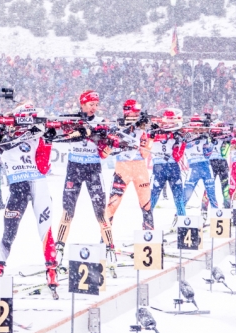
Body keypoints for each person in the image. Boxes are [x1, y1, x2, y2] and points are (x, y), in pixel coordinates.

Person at [0, 102, 59, 296]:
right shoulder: (4, 135)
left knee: (45, 230)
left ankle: (51, 270)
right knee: (9, 232)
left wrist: (47, 141)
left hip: (39, 184)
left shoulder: (36, 134)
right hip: (17, 187)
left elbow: (44, 167)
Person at [55, 90, 118, 267]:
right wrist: (78, 131)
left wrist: (106, 142)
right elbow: (59, 133)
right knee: (68, 211)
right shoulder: (71, 120)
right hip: (74, 168)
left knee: (100, 213)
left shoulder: (101, 123)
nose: (94, 108)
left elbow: (106, 153)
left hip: (93, 169)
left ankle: (110, 249)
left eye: (96, 105)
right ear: (82, 104)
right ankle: (58, 249)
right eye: (91, 104)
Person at [105, 99, 154, 235]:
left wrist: (150, 138)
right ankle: (105, 239)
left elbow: (144, 154)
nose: (136, 115)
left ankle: (149, 236)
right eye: (134, 112)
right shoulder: (118, 126)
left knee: (146, 204)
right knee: (113, 204)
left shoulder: (142, 128)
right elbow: (110, 145)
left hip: (140, 168)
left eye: (138, 112)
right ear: (126, 112)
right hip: (122, 168)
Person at [149, 109, 186, 220]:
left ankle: (183, 221)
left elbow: (177, 157)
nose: (169, 124)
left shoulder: (176, 134)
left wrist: (182, 142)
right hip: (159, 168)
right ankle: (148, 222)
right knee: (153, 196)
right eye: (168, 120)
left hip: (173, 168)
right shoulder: (154, 132)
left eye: (172, 121)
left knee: (178, 196)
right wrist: (153, 133)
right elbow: (145, 145)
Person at [182, 114, 219, 215]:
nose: (197, 129)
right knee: (186, 194)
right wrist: (198, 138)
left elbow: (207, 154)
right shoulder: (187, 135)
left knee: (211, 193)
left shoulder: (204, 136)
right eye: (195, 127)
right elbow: (186, 145)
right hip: (193, 168)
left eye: (199, 127)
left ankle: (217, 216)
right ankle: (178, 216)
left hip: (206, 166)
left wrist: (212, 143)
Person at [201, 119, 232, 212]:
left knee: (225, 186)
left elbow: (225, 153)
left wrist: (226, 139)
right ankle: (204, 209)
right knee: (209, 187)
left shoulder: (225, 138)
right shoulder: (207, 138)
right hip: (212, 163)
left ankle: (227, 207)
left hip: (221, 163)